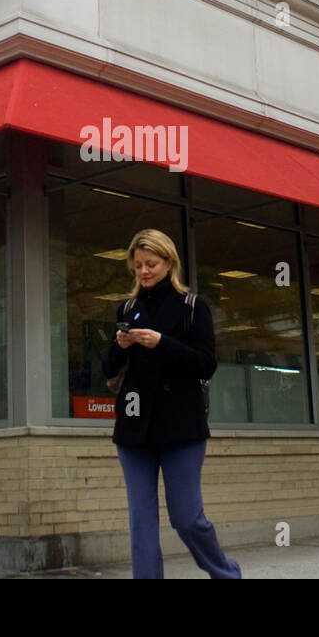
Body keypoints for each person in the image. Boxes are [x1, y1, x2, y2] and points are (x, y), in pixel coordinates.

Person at [102, 228, 241, 579]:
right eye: (137, 266)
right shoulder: (128, 308)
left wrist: (160, 342)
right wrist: (121, 345)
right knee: (142, 523)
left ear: (169, 263)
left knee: (186, 517)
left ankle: (226, 573)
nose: (144, 272)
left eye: (151, 264)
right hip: (134, 429)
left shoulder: (194, 307)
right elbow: (107, 369)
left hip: (182, 427)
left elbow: (205, 364)